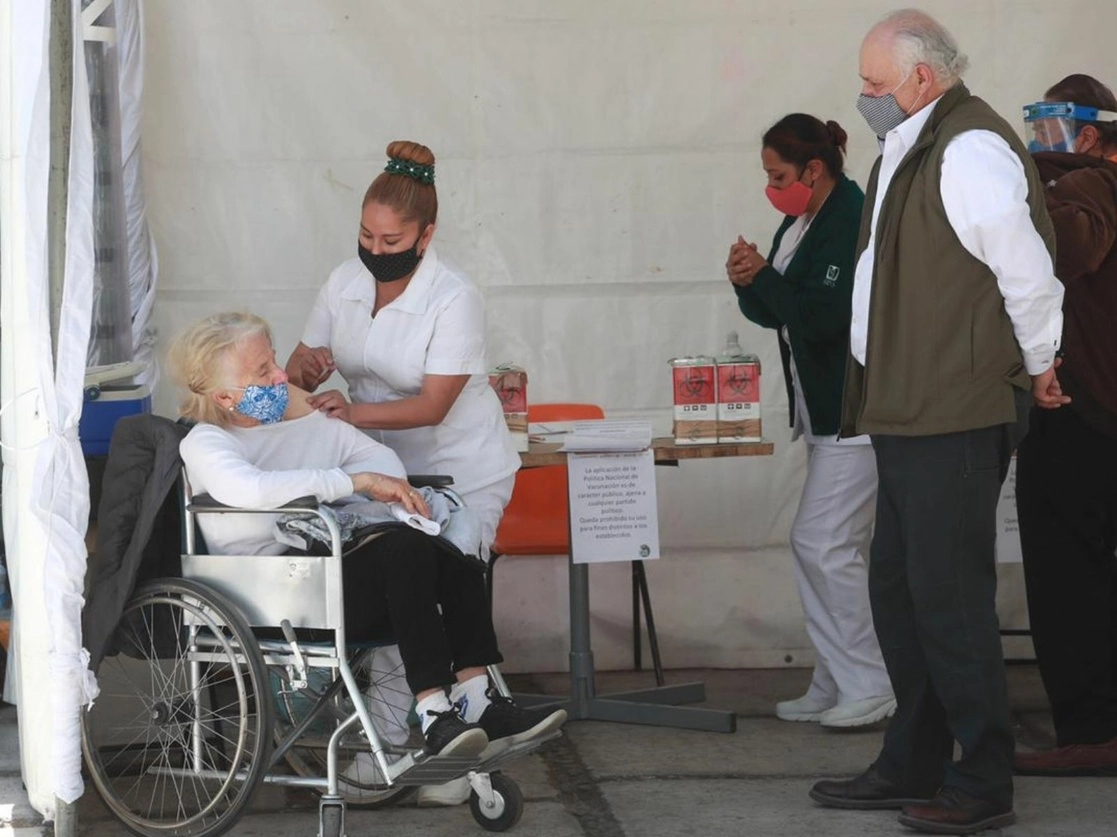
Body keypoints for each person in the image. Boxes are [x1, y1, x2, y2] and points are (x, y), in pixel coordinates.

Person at [808, 10, 1066, 835]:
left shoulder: (968, 148)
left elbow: (1026, 270)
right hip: (908, 405)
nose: (863, 96)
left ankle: (982, 777)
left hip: (953, 407)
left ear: (923, 77)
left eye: (875, 83)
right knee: (899, 588)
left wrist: (1040, 360)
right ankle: (911, 758)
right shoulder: (911, 142)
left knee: (948, 597)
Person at [169, 312, 564, 768]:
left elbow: (380, 462)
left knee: (447, 545)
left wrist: (375, 485)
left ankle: (477, 696)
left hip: (323, 578)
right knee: (404, 549)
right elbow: (252, 490)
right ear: (223, 396)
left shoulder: (303, 424)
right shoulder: (207, 442)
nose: (280, 376)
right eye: (263, 371)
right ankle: (434, 711)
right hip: (270, 597)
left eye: (274, 361)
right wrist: (354, 483)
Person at [285, 141, 520, 804]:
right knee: (399, 587)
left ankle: (420, 747)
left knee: (430, 589)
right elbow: (296, 366)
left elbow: (434, 403)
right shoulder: (344, 282)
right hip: (383, 470)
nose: (375, 248)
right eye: (366, 234)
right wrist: (307, 371)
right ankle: (409, 746)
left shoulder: (454, 297)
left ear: (426, 235)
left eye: (391, 240)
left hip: (460, 468)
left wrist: (351, 411)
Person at [726, 114, 894, 729]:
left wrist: (765, 277)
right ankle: (836, 677)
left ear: (814, 169)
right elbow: (779, 311)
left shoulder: (848, 217)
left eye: (778, 176)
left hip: (855, 411)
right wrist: (748, 281)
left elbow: (824, 318)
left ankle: (871, 682)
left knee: (821, 543)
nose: (771, 188)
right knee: (827, 546)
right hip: (820, 411)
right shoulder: (801, 221)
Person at [1013, 74, 1117, 777]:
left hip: (1080, 411)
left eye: (1047, 129)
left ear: (1086, 134)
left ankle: (1091, 730)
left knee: (1067, 579)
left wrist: (1027, 193)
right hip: (1089, 408)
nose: (1036, 142)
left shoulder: (1086, 184)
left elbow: (1067, 249)